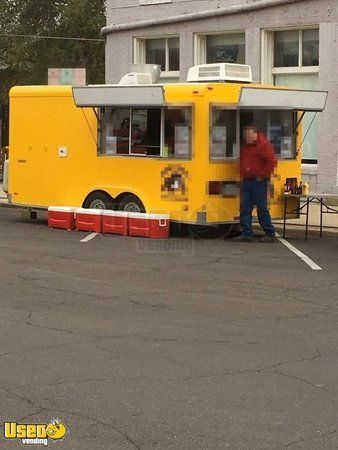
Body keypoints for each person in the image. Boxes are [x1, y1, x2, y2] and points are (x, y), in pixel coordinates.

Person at [233, 125, 277, 243]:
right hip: (247, 180)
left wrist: (262, 175)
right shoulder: (245, 147)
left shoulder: (263, 145)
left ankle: (269, 233)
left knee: (262, 208)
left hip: (259, 181)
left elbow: (271, 162)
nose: (247, 137)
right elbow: (242, 160)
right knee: (245, 207)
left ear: (255, 134)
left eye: (249, 135)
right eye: (245, 135)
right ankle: (247, 233)